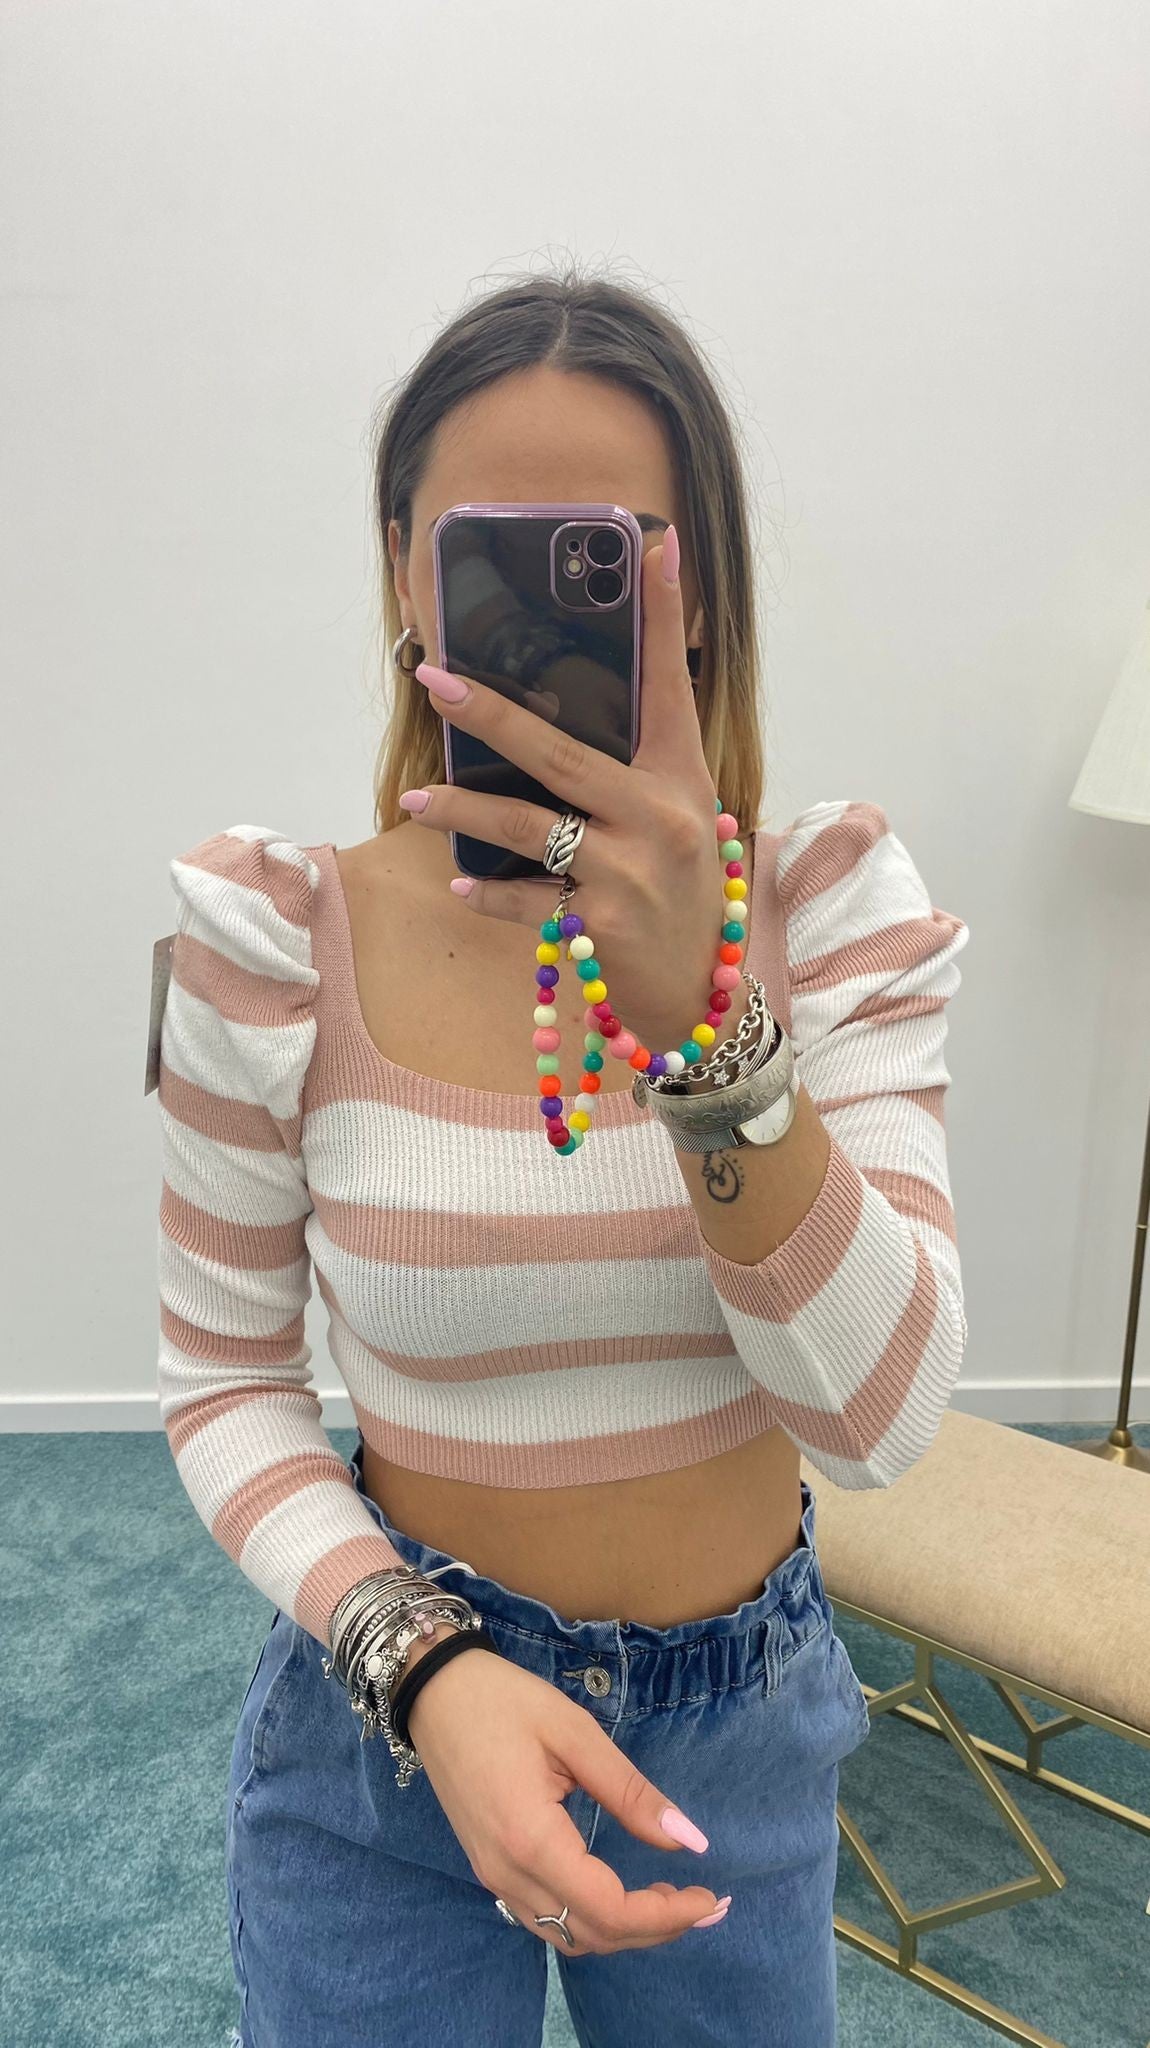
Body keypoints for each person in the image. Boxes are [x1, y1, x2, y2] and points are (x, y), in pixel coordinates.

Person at [155, 268, 970, 2048]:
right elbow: (221, 1382)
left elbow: (877, 1421)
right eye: (483, 554)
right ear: (402, 576)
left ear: (699, 591)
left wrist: (707, 1040)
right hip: (389, 1729)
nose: (540, 609)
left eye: (607, 555)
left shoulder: (828, 910)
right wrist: (422, 1665)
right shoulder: (274, 942)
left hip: (736, 1748)